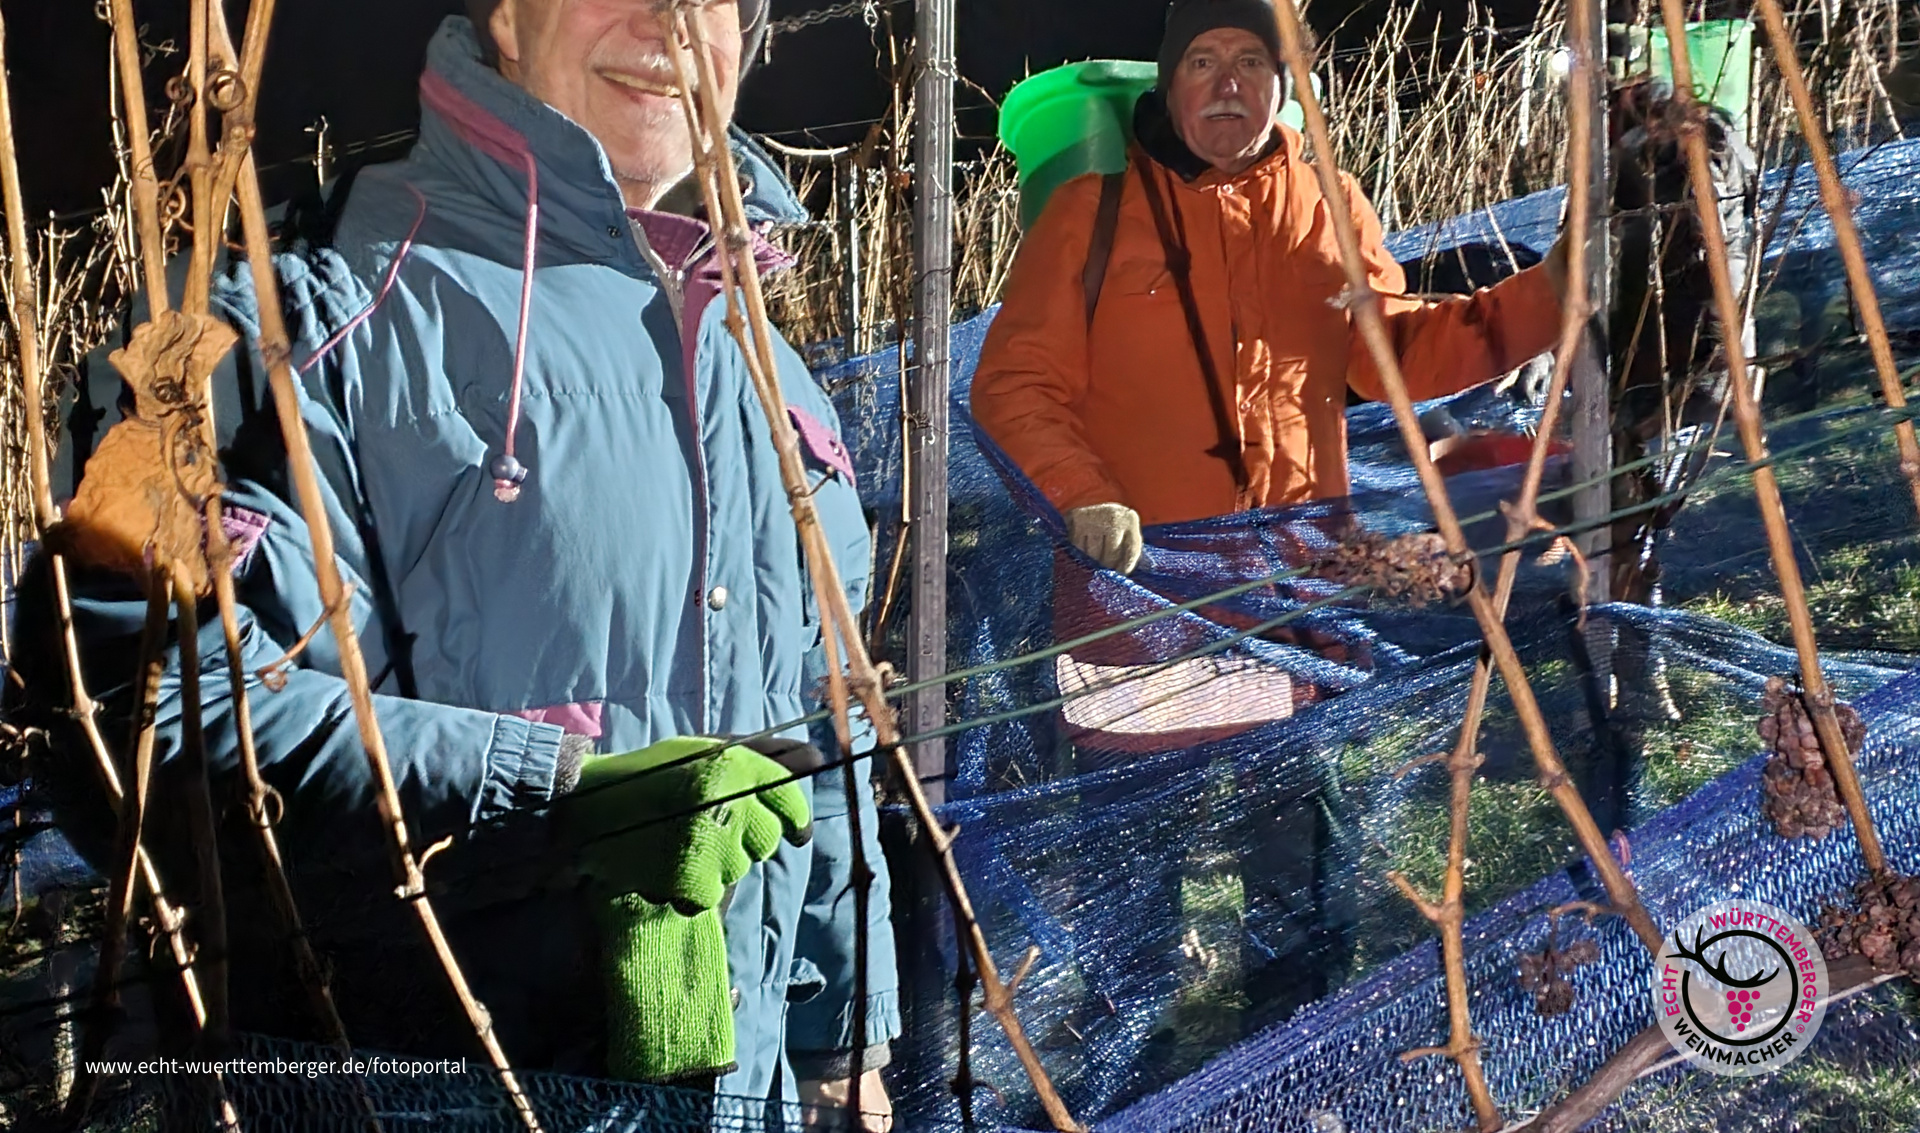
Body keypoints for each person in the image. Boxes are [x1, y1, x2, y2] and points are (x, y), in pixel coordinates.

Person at [14, 0, 897, 1121]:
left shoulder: (758, 352)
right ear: (507, 19)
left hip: (740, 1083)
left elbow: (826, 714)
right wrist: (562, 800)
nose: (672, 21)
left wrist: (841, 1034)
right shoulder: (270, 323)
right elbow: (143, 719)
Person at [971, 0, 1572, 575]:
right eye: (1202, 62)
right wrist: (1080, 495)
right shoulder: (1088, 214)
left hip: (1297, 594)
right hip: (1140, 593)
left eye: (1251, 63)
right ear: (1169, 86)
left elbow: (1394, 352)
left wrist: (1551, 293)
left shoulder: (1330, 204)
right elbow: (1015, 384)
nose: (1226, 85)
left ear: (1282, 88)